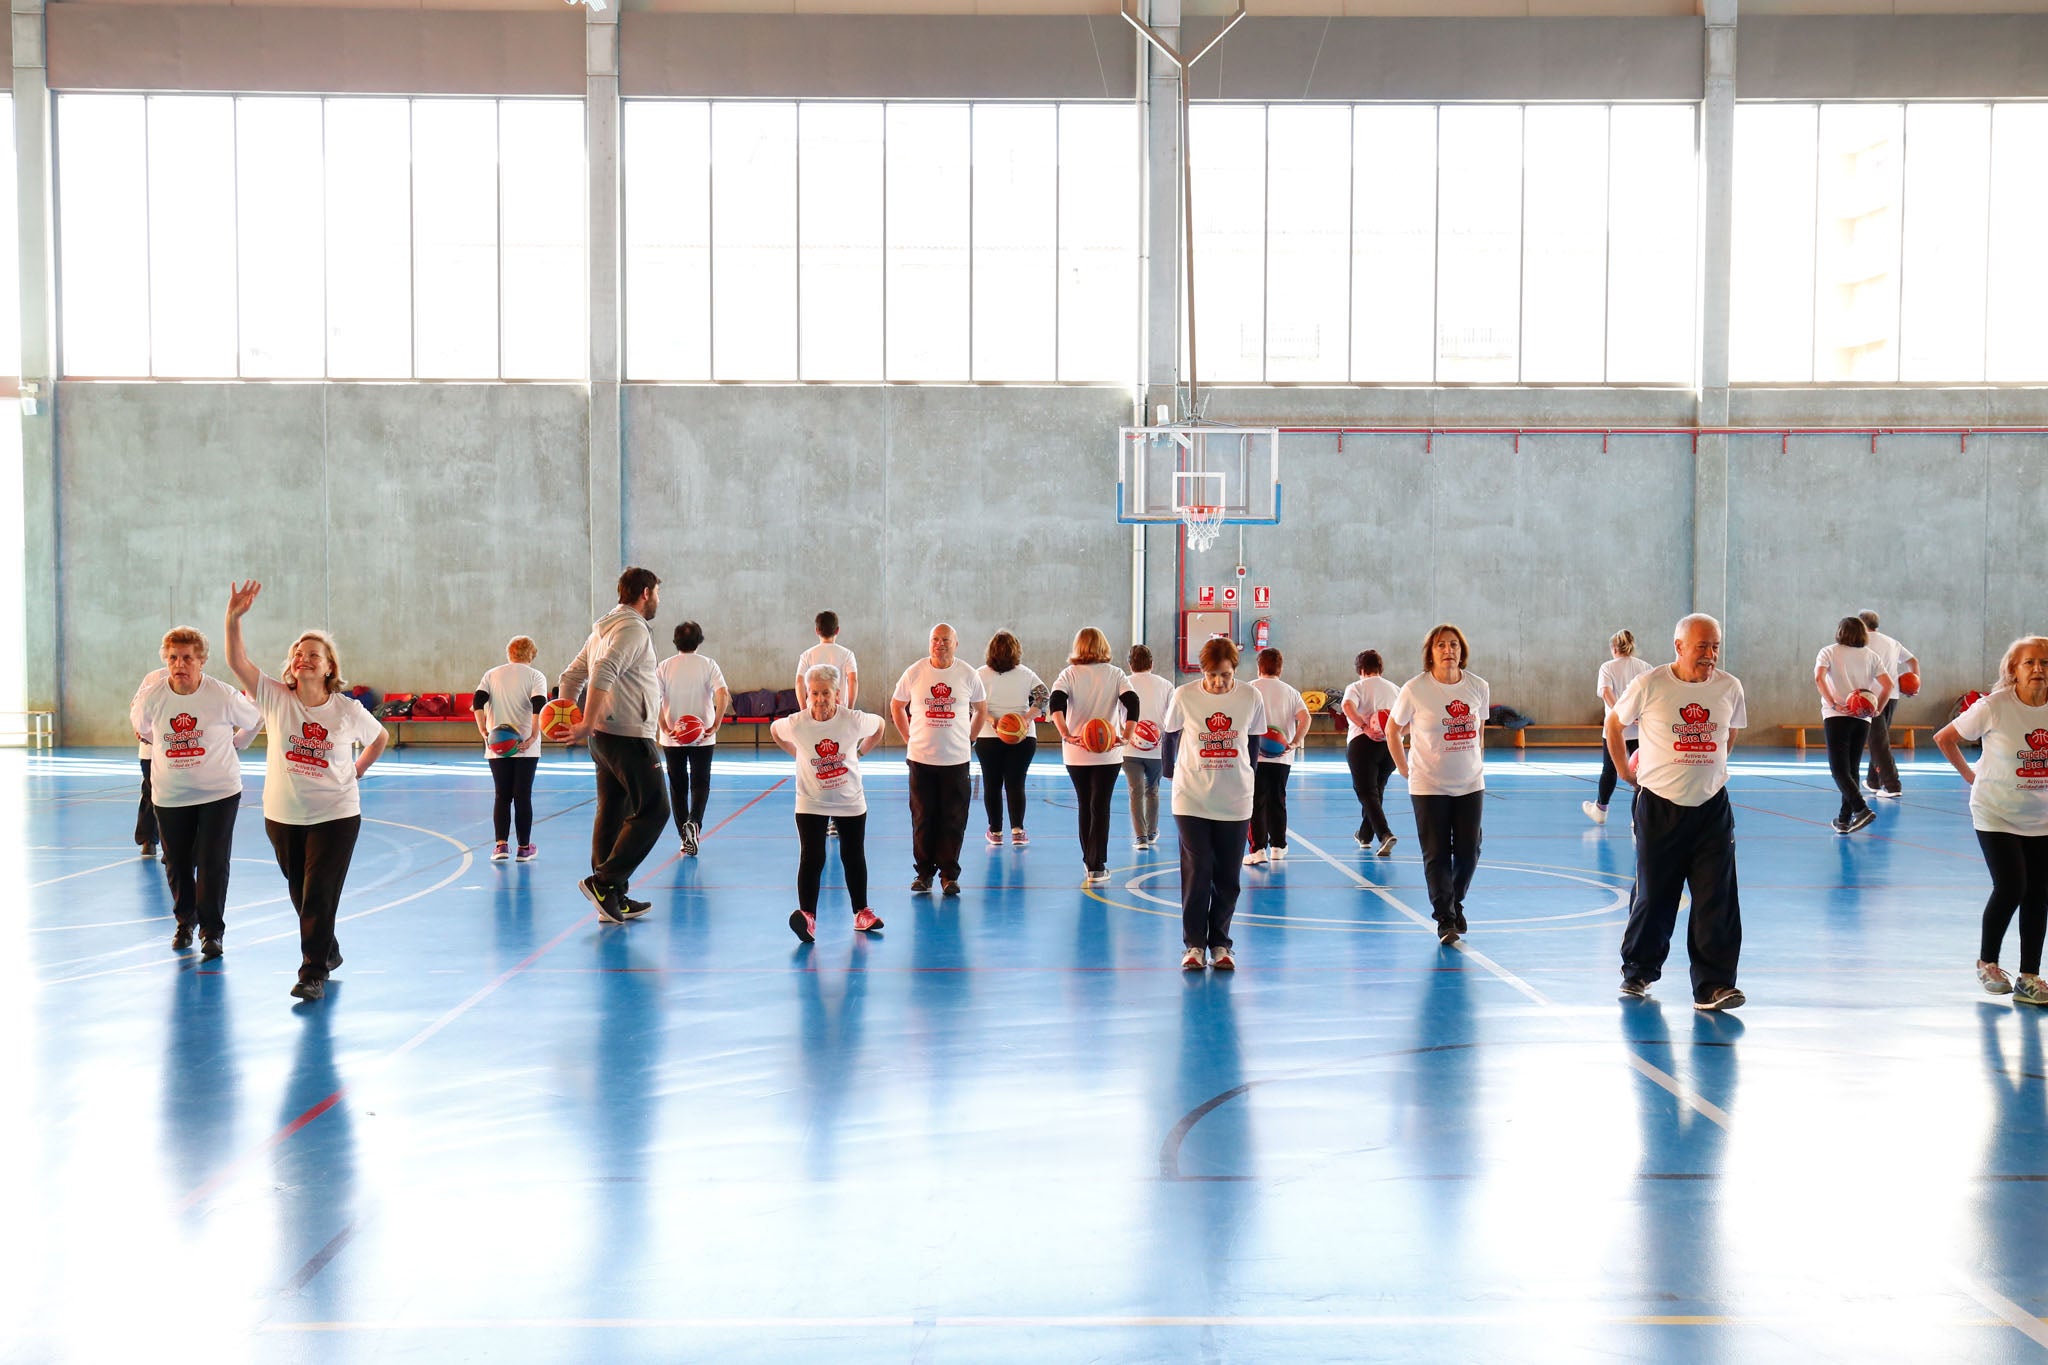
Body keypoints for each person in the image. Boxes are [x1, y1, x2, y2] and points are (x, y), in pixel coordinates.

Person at [224, 581, 387, 1002]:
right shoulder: (276, 699)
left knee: (317, 893)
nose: (304, 658)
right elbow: (237, 661)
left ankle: (311, 971)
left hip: (336, 814)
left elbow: (380, 737)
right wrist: (233, 618)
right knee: (300, 892)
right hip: (282, 815)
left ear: (330, 666)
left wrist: (358, 770)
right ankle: (327, 949)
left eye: (314, 654)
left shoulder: (347, 709)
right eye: (299, 653)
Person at [1610, 613, 1749, 1011]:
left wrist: (1711, 771)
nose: (1711, 654)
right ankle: (1637, 970)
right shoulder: (1650, 684)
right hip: (1658, 806)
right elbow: (1613, 724)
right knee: (1655, 893)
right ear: (1679, 646)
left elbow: (1730, 732)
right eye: (1702, 646)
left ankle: (1714, 986)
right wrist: (1623, 770)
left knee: (1716, 898)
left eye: (1716, 646)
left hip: (1712, 808)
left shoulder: (1729, 687)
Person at [131, 626, 260, 958]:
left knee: (213, 861)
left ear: (201, 661)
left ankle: (212, 931)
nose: (180, 664)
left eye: (187, 658)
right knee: (176, 861)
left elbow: (254, 717)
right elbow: (143, 730)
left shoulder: (221, 694)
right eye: (173, 658)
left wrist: (237, 743)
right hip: (171, 795)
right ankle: (185, 921)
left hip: (219, 792)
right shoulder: (153, 696)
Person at [1934, 636, 2048, 1006]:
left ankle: (2029, 977)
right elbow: (1945, 737)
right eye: (2029, 663)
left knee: (2039, 894)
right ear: (2013, 671)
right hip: (1995, 811)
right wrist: (1971, 775)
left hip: (2041, 815)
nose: (2038, 669)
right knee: (2012, 885)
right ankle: (1988, 963)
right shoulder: (1994, 706)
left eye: (2044, 663)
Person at [559, 566, 670, 924]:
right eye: (656, 592)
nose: (657, 599)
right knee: (655, 810)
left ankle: (612, 899)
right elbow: (604, 672)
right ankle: (604, 882)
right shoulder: (633, 627)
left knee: (612, 812)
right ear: (645, 593)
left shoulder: (602, 630)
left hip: (604, 740)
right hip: (626, 735)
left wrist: (566, 714)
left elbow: (570, 676)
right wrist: (585, 721)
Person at [1162, 637, 1265, 971]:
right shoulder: (1184, 696)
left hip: (1235, 799)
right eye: (1211, 675)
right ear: (1201, 671)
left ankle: (1220, 944)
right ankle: (1194, 946)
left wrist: (1245, 779)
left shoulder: (1251, 696)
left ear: (1235, 668)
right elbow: (1170, 737)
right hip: (1191, 798)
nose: (1218, 682)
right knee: (1198, 870)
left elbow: (1253, 744)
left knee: (1227, 876)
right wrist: (1171, 775)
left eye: (1224, 674)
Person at [1388, 624, 1490, 945]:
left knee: (1469, 851)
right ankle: (1445, 918)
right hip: (1428, 785)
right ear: (1430, 652)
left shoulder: (1478, 687)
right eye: (1441, 645)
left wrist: (1478, 762)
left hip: (1470, 783)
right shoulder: (1415, 689)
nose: (1449, 650)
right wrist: (1404, 769)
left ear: (1463, 651)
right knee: (1436, 855)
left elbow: (1479, 732)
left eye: (1454, 645)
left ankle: (1454, 901)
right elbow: (1394, 731)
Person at [773, 664, 887, 943]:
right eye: (814, 693)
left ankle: (861, 912)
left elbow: (880, 725)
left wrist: (860, 752)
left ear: (837, 693)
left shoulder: (853, 719)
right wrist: (797, 754)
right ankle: (808, 917)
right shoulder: (798, 723)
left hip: (850, 800)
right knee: (812, 857)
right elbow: (775, 730)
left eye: (826, 692)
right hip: (811, 801)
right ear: (807, 694)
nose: (820, 698)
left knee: (853, 855)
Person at [890, 623, 988, 897]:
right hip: (921, 759)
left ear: (956, 644)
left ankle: (948, 875)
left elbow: (981, 709)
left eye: (945, 640)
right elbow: (896, 706)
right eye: (935, 639)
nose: (939, 644)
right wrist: (908, 738)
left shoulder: (968, 674)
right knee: (923, 817)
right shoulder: (915, 672)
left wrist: (970, 738)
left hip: (956, 761)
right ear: (929, 642)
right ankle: (923, 874)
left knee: (953, 819)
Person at [1050, 627, 1140, 886]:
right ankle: (1097, 865)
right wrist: (1126, 733)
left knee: (1084, 804)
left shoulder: (1068, 674)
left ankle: (1088, 860)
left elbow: (1055, 702)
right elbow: (1132, 702)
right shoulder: (1115, 674)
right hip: (1108, 752)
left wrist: (1066, 733)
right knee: (1100, 806)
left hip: (1077, 752)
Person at [1814, 615, 1893, 835]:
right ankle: (1843, 820)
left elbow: (1819, 678)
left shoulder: (1828, 651)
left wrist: (1833, 702)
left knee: (1838, 769)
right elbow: (1888, 685)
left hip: (1836, 715)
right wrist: (1877, 708)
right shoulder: (1871, 655)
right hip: (1862, 717)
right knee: (1852, 769)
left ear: (1840, 632)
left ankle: (1861, 809)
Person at [657, 620, 729, 857]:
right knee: (700, 784)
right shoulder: (708, 664)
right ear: (700, 640)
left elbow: (654, 698)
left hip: (674, 737)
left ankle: (683, 836)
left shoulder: (665, 666)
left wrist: (665, 725)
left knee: (678, 788)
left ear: (675, 641)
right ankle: (694, 823)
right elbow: (722, 693)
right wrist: (716, 723)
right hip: (703, 736)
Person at [474, 635, 548, 863]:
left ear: (509, 653)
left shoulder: (492, 674)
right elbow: (539, 705)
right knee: (522, 795)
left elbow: (477, 701)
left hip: (497, 743)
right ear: (532, 654)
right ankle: (524, 848)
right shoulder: (536, 676)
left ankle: (500, 846)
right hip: (525, 744)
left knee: (502, 795)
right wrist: (534, 734)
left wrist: (483, 731)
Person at [974, 630, 1043, 846]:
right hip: (1022, 737)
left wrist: (992, 719)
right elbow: (1045, 695)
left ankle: (995, 832)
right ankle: (1017, 831)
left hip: (988, 735)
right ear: (1016, 650)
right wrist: (1026, 718)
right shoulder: (1026, 673)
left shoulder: (978, 674)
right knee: (1016, 783)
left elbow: (970, 702)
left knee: (991, 784)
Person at [1244, 648, 1310, 866]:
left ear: (1259, 666)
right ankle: (1278, 847)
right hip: (1282, 757)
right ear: (1280, 668)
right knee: (1278, 800)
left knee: (1256, 802)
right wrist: (1295, 741)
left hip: (1255, 757)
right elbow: (1305, 718)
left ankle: (1257, 850)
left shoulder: (1250, 688)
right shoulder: (1290, 692)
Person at [1585, 629, 1653, 826]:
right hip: (1640, 729)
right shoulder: (1646, 667)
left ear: (1614, 648)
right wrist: (1637, 714)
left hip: (1616, 729)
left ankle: (1601, 809)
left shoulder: (1607, 667)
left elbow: (1606, 692)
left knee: (1610, 769)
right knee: (1642, 772)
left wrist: (1621, 714)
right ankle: (1638, 818)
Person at [1341, 650, 1401, 856]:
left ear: (1362, 670)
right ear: (1380, 669)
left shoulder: (1356, 686)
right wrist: (1396, 734)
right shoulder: (1396, 689)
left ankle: (1384, 834)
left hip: (1363, 744)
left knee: (1366, 792)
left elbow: (1346, 706)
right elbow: (1409, 718)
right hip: (1392, 746)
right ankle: (1365, 835)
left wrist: (1364, 726)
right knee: (1377, 790)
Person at [1859, 609, 1917, 799]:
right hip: (1891, 696)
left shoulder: (1860, 641)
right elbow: (1912, 661)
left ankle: (1892, 785)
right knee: (1877, 739)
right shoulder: (1892, 642)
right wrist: (1915, 683)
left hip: (1870, 696)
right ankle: (1873, 781)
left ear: (1861, 623)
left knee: (1878, 742)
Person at [1123, 645, 1176, 849]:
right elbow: (1173, 718)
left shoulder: (1123, 683)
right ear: (1152, 664)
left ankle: (1140, 838)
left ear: (1130, 664)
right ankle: (1152, 832)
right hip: (1157, 749)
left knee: (1135, 791)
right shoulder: (1166, 685)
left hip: (1129, 748)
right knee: (1152, 790)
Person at [131, 667, 165, 859]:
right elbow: (135, 706)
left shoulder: (199, 681)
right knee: (151, 793)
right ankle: (148, 840)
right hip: (151, 751)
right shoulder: (153, 677)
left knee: (175, 800)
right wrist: (140, 729)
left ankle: (173, 847)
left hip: (180, 752)